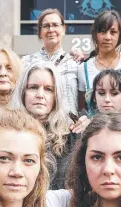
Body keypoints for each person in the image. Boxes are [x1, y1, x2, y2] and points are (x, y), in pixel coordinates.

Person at [10, 61, 85, 190]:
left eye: (48, 89)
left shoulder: (71, 138)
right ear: (23, 92)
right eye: (33, 87)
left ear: (57, 96)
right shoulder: (7, 133)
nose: (40, 95)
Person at [77, 10, 121, 113]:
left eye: (113, 32)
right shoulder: (83, 68)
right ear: (95, 34)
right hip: (96, 127)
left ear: (119, 35)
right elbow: (82, 108)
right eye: (102, 31)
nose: (107, 37)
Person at [21, 9, 79, 114]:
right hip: (33, 124)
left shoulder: (74, 63)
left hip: (67, 126)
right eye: (46, 26)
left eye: (55, 25)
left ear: (63, 29)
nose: (51, 29)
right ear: (39, 32)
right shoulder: (26, 62)